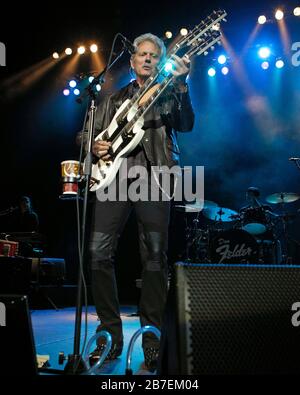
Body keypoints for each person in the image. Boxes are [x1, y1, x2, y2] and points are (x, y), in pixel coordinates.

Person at [85, 33, 194, 371]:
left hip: (154, 177)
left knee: (155, 258)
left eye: (153, 55)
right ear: (132, 61)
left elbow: (187, 124)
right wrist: (94, 146)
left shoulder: (167, 95)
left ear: (159, 62)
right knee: (97, 253)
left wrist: (182, 85)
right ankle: (110, 335)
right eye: (141, 54)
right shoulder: (112, 98)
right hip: (113, 177)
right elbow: (87, 133)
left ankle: (152, 339)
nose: (146, 58)